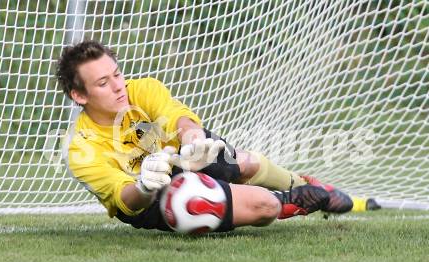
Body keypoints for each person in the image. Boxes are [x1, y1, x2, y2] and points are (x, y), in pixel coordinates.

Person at [57, 40, 378, 233]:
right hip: (152, 201)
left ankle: (310, 185)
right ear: (79, 96)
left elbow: (178, 118)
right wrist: (143, 185)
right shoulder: (80, 149)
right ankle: (294, 201)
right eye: (103, 83)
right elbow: (125, 199)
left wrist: (195, 141)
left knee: (243, 163)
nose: (117, 87)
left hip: (184, 157)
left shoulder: (142, 90)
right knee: (264, 207)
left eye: (117, 74)